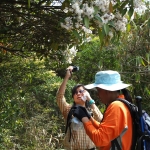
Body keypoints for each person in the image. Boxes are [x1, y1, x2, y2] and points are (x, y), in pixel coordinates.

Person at [73, 70, 133, 150]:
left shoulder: (116, 106)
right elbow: (105, 129)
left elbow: (99, 140)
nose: (97, 95)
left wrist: (85, 119)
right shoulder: (122, 104)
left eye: (98, 91)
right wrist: (90, 118)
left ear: (106, 91)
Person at [56, 66, 103, 150]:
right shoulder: (68, 109)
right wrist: (67, 77)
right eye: (75, 92)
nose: (78, 94)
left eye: (81, 91)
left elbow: (100, 119)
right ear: (73, 96)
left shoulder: (91, 110)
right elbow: (59, 97)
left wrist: (89, 99)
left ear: (86, 93)